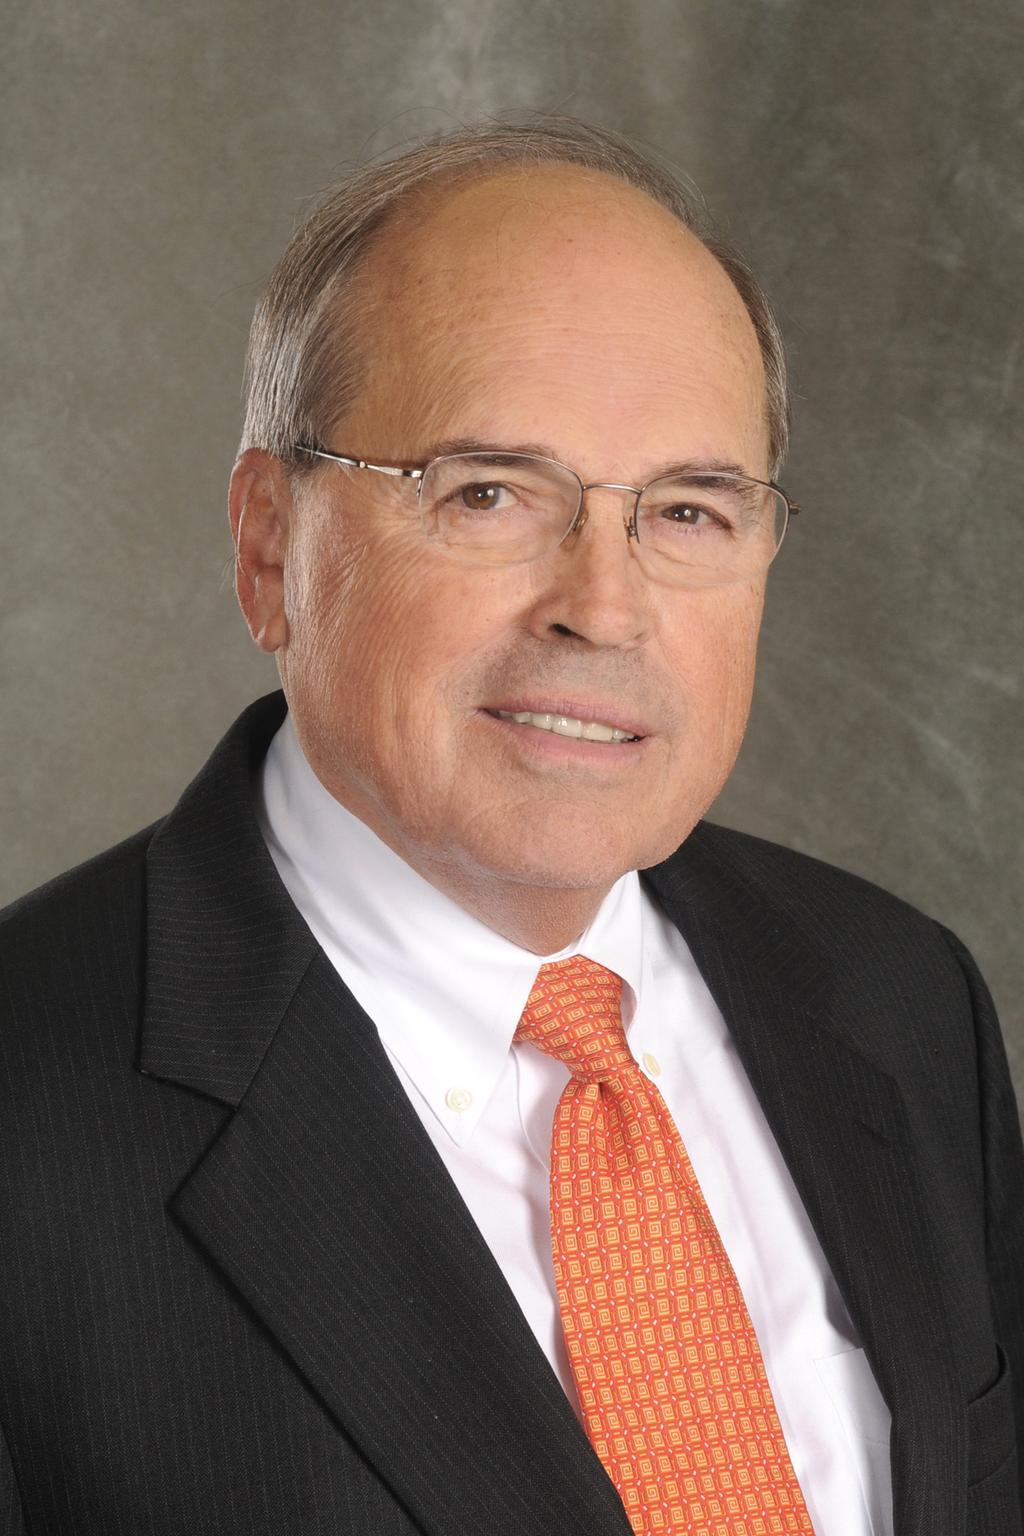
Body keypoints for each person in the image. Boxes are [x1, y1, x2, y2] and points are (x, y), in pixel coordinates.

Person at [0, 118, 1020, 1536]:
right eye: (488, 493)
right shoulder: (29, 1112)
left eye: (691, 512)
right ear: (270, 545)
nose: (603, 608)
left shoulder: (901, 1000)